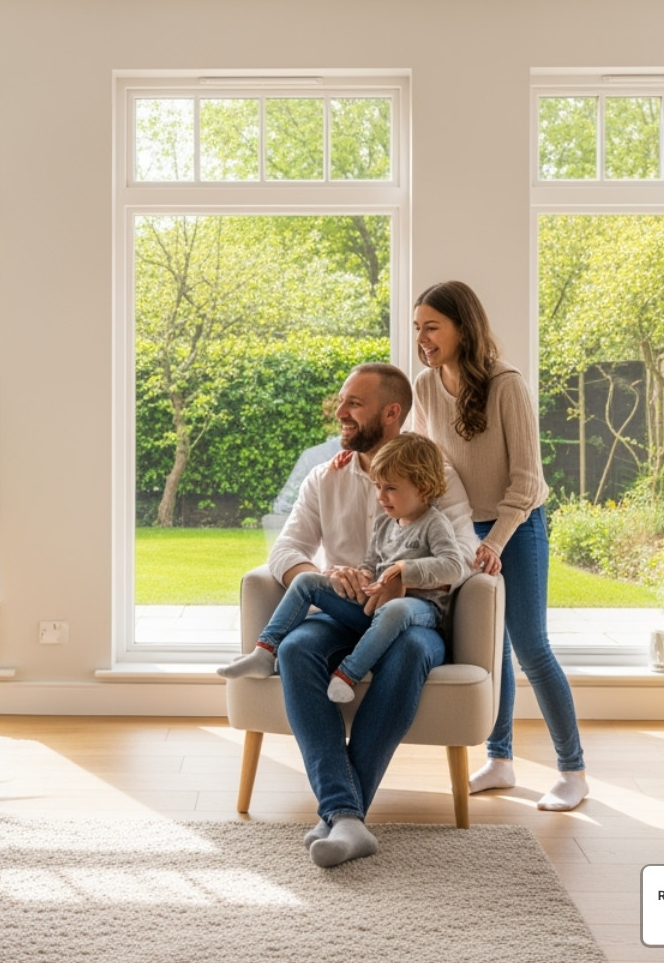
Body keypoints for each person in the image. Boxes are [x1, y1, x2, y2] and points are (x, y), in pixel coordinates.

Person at [260, 363, 478, 868]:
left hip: (411, 619)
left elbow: (463, 555)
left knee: (406, 653)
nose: (340, 413)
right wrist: (325, 575)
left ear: (391, 412)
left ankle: (339, 814)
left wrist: (408, 575)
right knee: (295, 649)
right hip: (343, 615)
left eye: (353, 404)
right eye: (342, 402)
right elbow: (286, 549)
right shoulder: (325, 476)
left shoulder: (433, 474)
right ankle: (348, 818)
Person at [409, 281, 588, 811]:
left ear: (463, 327)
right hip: (465, 530)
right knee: (490, 651)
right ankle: (501, 760)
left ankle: (573, 770)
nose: (422, 337)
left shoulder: (507, 385)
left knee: (530, 646)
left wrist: (498, 541)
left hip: (519, 523)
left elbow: (527, 481)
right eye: (417, 327)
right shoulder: (424, 385)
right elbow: (424, 459)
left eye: (432, 326)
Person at [218, 432, 468, 707]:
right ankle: (265, 653)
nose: (381, 496)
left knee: (396, 609)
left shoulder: (435, 523)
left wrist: (403, 570)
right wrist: (361, 576)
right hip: (374, 606)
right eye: (377, 486)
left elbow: (453, 566)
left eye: (390, 488)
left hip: (419, 609)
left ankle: (348, 674)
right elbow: (370, 565)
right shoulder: (385, 523)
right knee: (307, 582)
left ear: (422, 487)